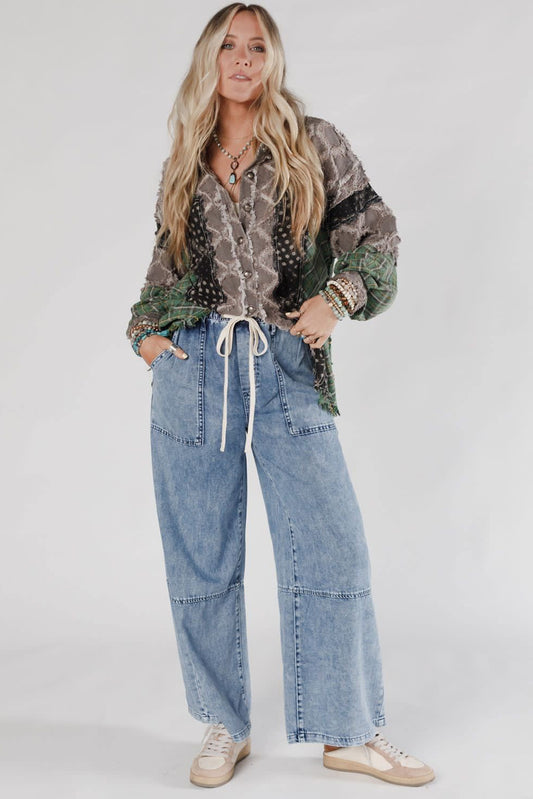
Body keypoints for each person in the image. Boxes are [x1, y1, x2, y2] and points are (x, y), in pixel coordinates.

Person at [125, 2, 435, 789]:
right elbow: (164, 270)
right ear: (209, 59)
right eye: (227, 45)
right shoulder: (187, 154)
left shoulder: (311, 139)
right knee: (200, 553)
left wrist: (339, 298)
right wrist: (146, 338)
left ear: (273, 58)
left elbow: (378, 228)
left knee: (332, 542)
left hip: (286, 364)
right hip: (195, 370)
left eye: (256, 45)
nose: (242, 58)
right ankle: (223, 725)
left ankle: (347, 730)